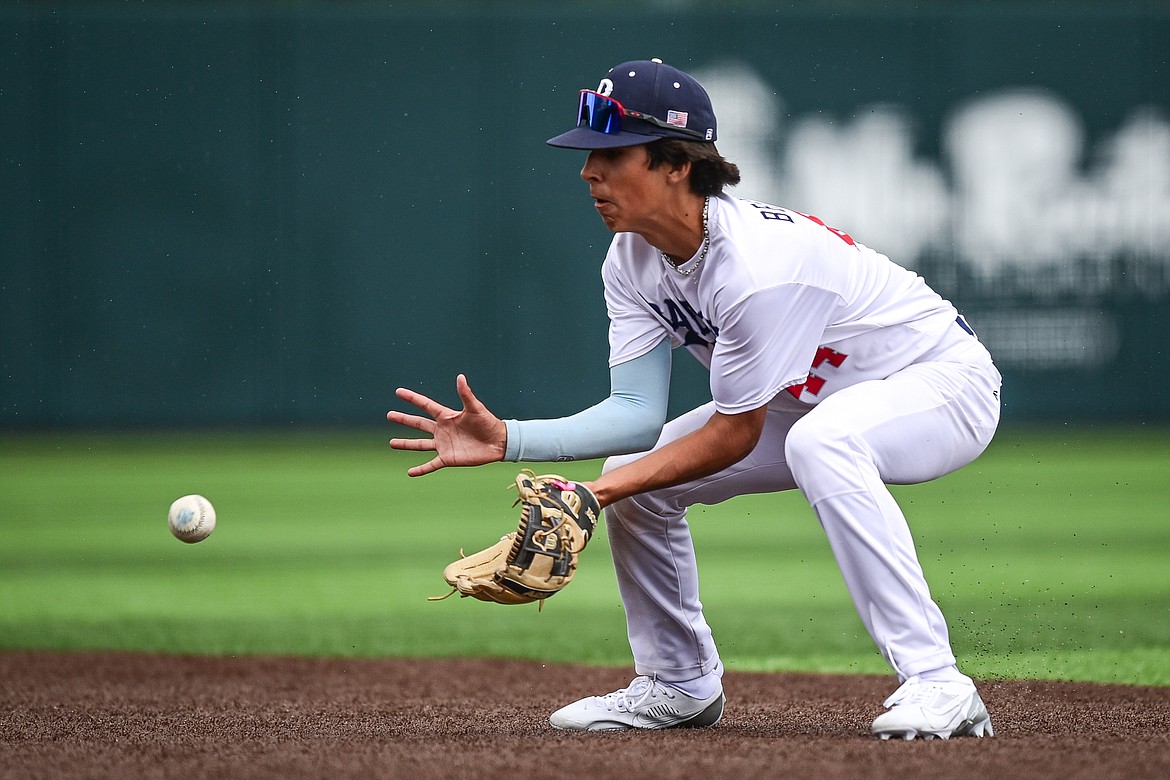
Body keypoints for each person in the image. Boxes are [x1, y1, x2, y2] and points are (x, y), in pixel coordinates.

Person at [388, 58, 1001, 740]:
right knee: (639, 477)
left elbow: (736, 434)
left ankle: (938, 682)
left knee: (822, 444)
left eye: (613, 155)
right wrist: (512, 440)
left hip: (940, 383)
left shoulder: (756, 268)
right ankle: (679, 684)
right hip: (812, 397)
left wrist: (589, 495)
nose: (589, 173)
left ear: (678, 163)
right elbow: (635, 415)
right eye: (590, 156)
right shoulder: (631, 257)